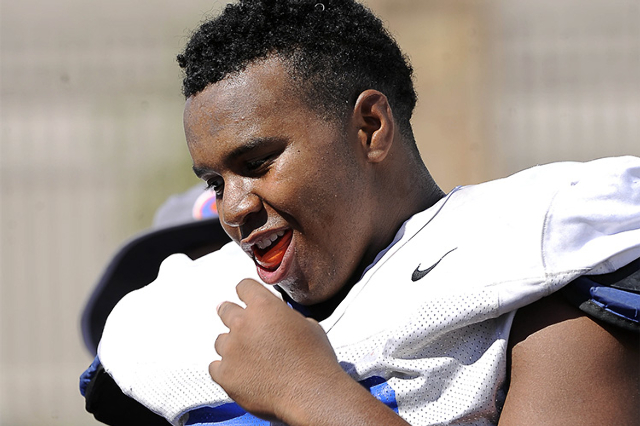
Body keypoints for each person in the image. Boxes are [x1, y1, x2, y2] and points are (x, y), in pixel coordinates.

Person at [83, 1, 640, 425]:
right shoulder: (185, 326)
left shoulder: (541, 270)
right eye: (214, 182)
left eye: (257, 162)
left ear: (369, 127)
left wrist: (314, 394)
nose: (234, 207)